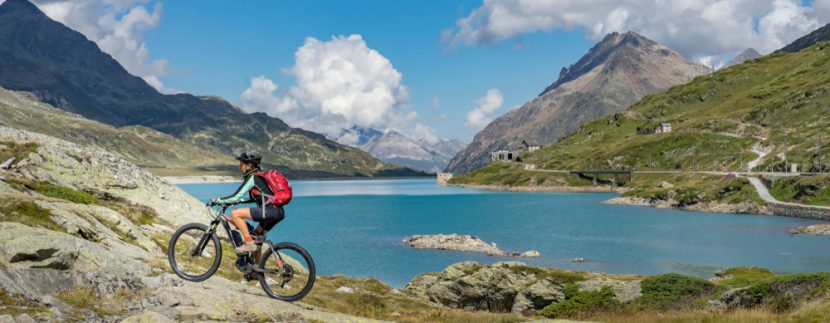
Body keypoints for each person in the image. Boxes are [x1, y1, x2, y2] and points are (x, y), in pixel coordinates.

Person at [209, 153, 285, 253]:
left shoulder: (252, 177)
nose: (239, 167)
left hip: (269, 211)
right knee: (256, 240)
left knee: (235, 214)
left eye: (241, 164)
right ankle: (257, 267)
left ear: (249, 165)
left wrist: (217, 200)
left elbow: (236, 196)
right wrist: (239, 201)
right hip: (278, 211)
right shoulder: (260, 176)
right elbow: (256, 198)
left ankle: (248, 243)